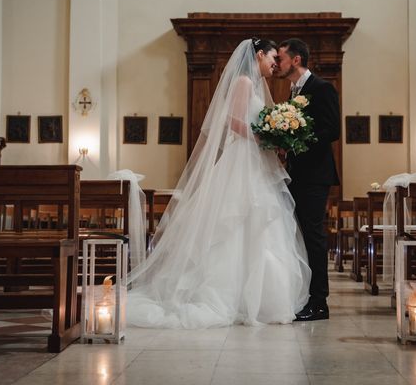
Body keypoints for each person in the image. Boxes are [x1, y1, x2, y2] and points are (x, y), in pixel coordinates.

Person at [126, 38, 310, 328]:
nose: (275, 64)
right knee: (236, 222)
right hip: (243, 159)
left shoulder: (257, 85)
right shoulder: (244, 82)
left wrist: (272, 139)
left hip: (255, 160)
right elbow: (233, 121)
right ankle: (231, 297)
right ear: (259, 55)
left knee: (261, 224)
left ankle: (260, 300)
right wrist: (265, 138)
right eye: (273, 57)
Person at [273, 38, 340, 321]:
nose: (277, 64)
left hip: (315, 175)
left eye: (282, 59)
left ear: (296, 60)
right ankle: (304, 295)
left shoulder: (322, 88)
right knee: (298, 236)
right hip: (297, 174)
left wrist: (298, 140)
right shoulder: (292, 91)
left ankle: (319, 302)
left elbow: (332, 129)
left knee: (313, 236)